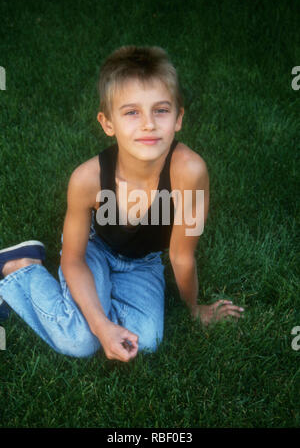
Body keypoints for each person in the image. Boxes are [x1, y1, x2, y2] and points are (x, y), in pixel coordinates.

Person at [0, 46, 244, 362]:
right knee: (80, 342)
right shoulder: (87, 179)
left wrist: (194, 308)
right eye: (131, 112)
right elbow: (73, 259)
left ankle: (90, 300)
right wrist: (101, 326)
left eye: (161, 110)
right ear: (108, 122)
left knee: (147, 341)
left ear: (178, 118)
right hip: (93, 249)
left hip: (144, 262)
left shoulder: (189, 173)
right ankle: (21, 268)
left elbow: (181, 255)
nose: (148, 124)